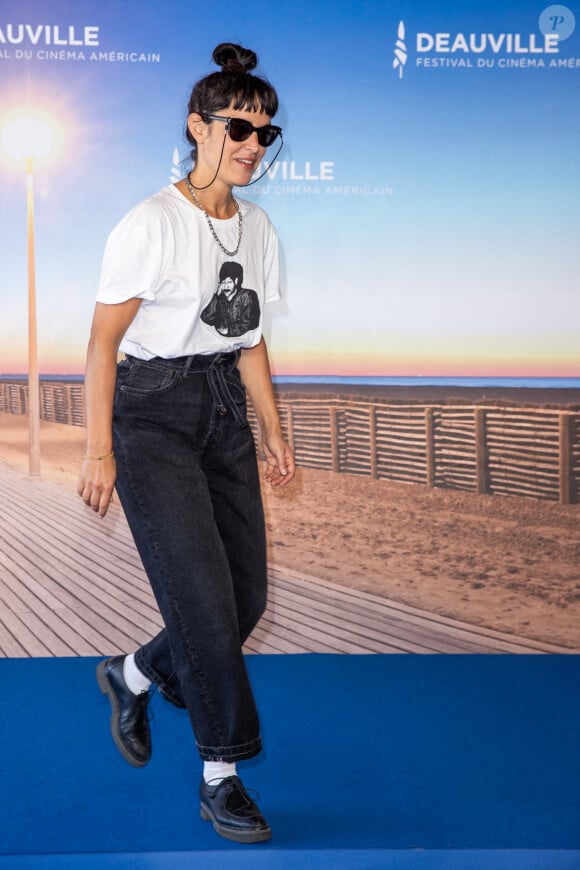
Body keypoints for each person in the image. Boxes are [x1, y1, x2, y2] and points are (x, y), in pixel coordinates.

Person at [77, 42, 295, 844]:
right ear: (198, 127)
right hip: (152, 413)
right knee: (204, 605)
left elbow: (250, 340)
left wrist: (273, 430)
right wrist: (98, 449)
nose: (251, 145)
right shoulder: (150, 224)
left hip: (222, 412)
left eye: (264, 134)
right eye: (238, 127)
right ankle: (222, 775)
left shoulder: (259, 228)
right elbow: (102, 346)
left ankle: (132, 675)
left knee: (249, 599)